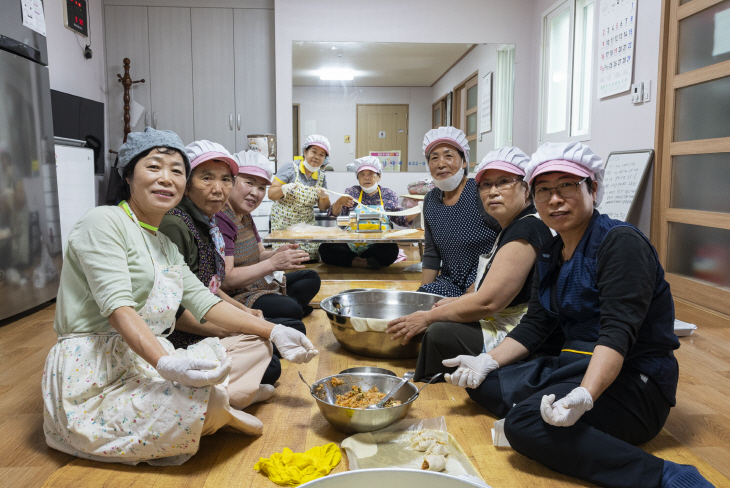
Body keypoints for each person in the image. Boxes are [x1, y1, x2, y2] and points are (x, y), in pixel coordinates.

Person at [440, 141, 712, 488]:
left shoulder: (619, 242)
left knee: (521, 425)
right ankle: (566, 427)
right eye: (543, 190)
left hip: (632, 383)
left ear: (593, 188)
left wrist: (586, 394)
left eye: (566, 186)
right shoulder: (552, 250)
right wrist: (487, 361)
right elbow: (537, 323)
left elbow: (617, 332)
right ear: (533, 197)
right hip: (572, 365)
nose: (554, 199)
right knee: (484, 385)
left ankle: (665, 476)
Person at [42, 127, 318, 466]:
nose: (166, 179)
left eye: (176, 170)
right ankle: (221, 406)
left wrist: (273, 331)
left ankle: (214, 404)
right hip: (95, 371)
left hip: (145, 358)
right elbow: (118, 307)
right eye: (154, 167)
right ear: (129, 174)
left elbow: (206, 300)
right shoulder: (103, 221)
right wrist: (166, 362)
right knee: (207, 400)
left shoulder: (164, 243)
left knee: (255, 343)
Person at [386, 147, 555, 382]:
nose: (493, 192)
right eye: (486, 185)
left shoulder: (526, 229)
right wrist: (451, 303)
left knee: (439, 331)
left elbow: (489, 302)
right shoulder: (510, 225)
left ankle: (434, 388)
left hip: (517, 328)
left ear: (527, 189)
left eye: (504, 182)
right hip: (478, 297)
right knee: (435, 306)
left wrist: (429, 317)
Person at [158, 140, 286, 394]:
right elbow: (173, 311)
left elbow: (209, 286)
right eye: (207, 178)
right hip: (179, 334)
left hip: (208, 312)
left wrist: (242, 313)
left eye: (226, 179)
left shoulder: (208, 222)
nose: (218, 189)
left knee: (268, 347)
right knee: (270, 362)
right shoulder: (176, 224)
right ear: (187, 182)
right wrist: (232, 327)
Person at [217, 149, 321, 324]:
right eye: (249, 183)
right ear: (231, 181)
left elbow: (259, 255)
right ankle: (288, 311)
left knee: (311, 277)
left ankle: (284, 312)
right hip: (238, 294)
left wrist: (276, 253)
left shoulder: (245, 216)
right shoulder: (223, 219)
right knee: (292, 310)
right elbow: (226, 281)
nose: (256, 193)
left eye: (261, 188)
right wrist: (272, 264)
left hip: (257, 282)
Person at [419, 127, 500, 297]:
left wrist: (483, 279)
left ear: (464, 161)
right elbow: (431, 253)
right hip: (450, 282)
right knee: (421, 308)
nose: (441, 163)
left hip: (486, 279)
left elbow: (507, 237)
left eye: (448, 156)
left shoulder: (480, 192)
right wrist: (422, 296)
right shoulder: (431, 200)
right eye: (434, 158)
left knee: (444, 321)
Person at [319, 156, 417, 270]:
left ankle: (351, 260)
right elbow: (332, 215)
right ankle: (362, 262)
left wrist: (418, 208)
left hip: (377, 244)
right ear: (358, 178)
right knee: (325, 248)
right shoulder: (351, 192)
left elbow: (402, 219)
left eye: (371, 174)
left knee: (391, 250)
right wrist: (339, 203)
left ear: (379, 176)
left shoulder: (388, 194)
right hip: (351, 243)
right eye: (362, 174)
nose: (366, 178)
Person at [268, 135, 331, 261]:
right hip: (284, 225)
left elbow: (323, 207)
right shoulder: (290, 168)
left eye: (321, 154)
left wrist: (324, 197)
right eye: (314, 151)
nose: (317, 157)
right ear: (304, 151)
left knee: (310, 258)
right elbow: (271, 194)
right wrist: (283, 189)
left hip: (306, 226)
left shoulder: (321, 177)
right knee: (286, 259)